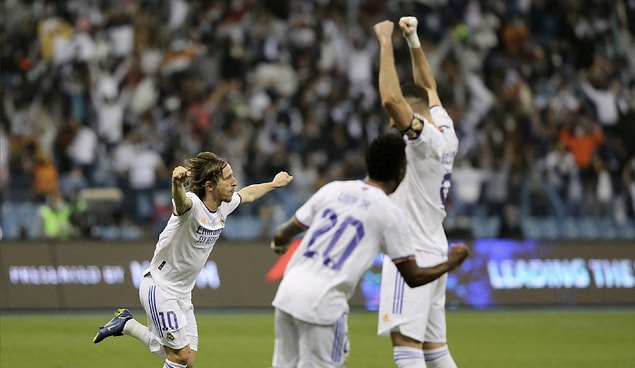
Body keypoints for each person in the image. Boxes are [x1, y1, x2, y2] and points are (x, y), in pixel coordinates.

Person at [269, 133, 469, 368]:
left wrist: (278, 243)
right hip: (323, 304)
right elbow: (413, 277)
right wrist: (450, 263)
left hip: (288, 294)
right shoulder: (390, 213)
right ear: (401, 172)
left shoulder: (333, 190)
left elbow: (282, 233)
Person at [92, 151, 293, 368]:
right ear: (210, 186)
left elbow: (248, 194)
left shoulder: (223, 205)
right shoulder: (192, 206)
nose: (234, 183)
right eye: (228, 179)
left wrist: (273, 184)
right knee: (180, 357)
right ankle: (127, 325)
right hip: (160, 288)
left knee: (187, 362)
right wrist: (177, 184)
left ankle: (126, 325)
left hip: (183, 294)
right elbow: (181, 201)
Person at [373, 17, 461, 367]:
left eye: (398, 121)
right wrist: (413, 40)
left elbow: (392, 98)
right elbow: (428, 85)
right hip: (434, 244)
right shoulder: (447, 129)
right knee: (435, 349)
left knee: (405, 344)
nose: (392, 126)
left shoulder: (424, 139)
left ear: (414, 114)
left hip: (410, 252)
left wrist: (384, 41)